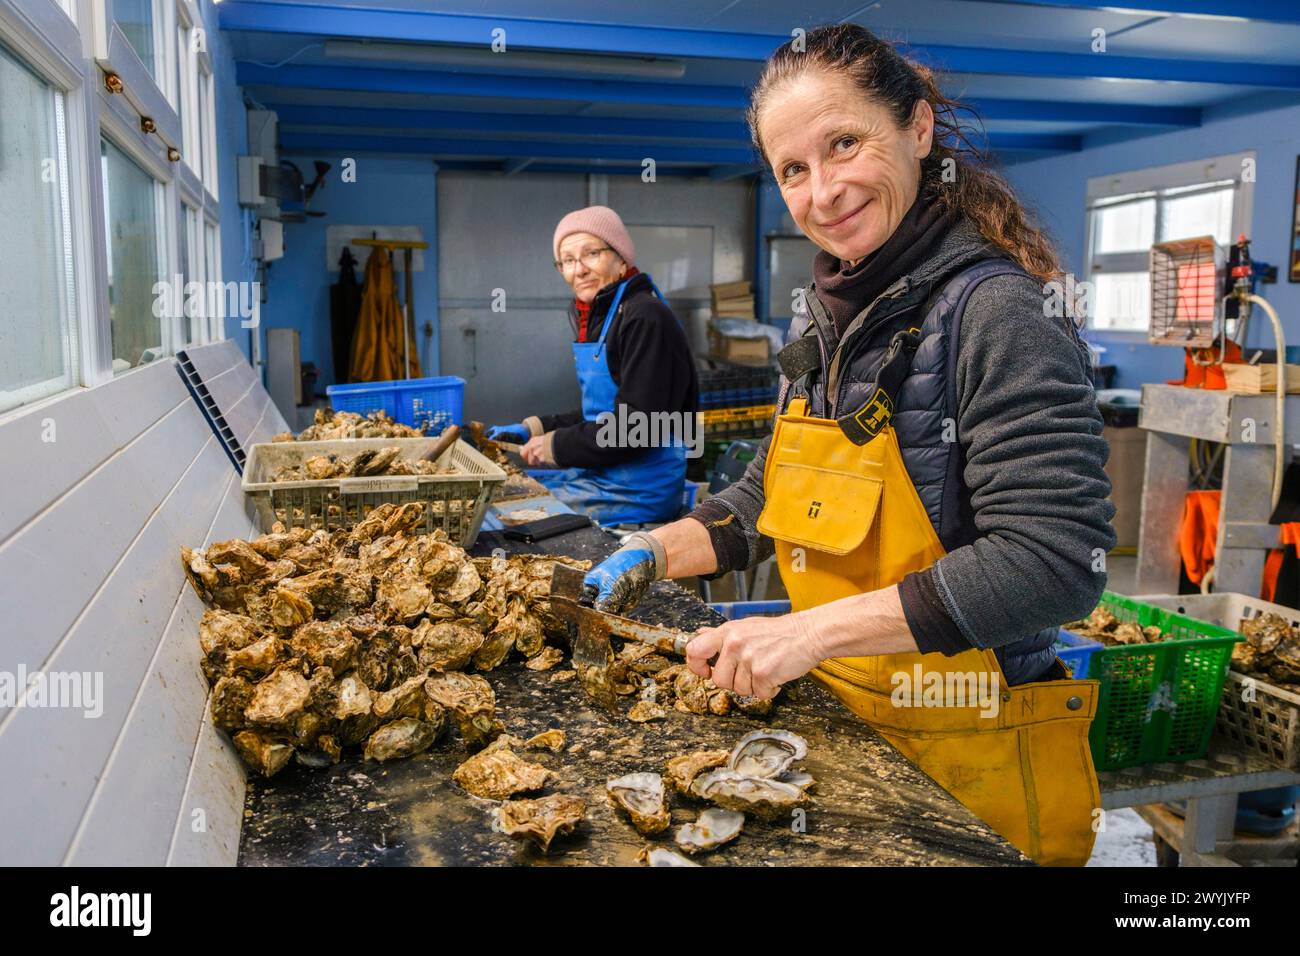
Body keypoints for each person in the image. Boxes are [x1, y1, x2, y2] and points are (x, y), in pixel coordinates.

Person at [580, 25, 1116, 866]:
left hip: (971, 761)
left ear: (919, 129)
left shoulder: (996, 313)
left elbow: (1056, 562)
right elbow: (769, 498)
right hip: (847, 736)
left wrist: (807, 635)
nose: (823, 191)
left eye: (844, 144)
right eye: (793, 169)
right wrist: (648, 550)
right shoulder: (828, 317)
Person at [487, 206, 698, 524]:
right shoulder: (601, 314)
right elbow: (601, 414)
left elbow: (636, 428)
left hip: (638, 492)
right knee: (499, 497)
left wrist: (555, 446)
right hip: (600, 476)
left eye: (591, 254)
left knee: (504, 520)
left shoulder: (645, 317)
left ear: (621, 257)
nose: (579, 270)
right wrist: (535, 428)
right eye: (567, 261)